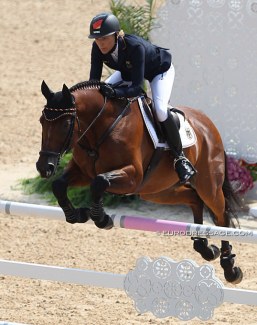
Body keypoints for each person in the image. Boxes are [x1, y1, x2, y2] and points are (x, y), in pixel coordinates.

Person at [88, 12, 196, 184]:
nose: (100, 43)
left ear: (117, 35)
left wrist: (115, 93)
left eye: (104, 38)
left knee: (160, 110)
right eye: (97, 39)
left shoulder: (134, 47)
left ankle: (180, 158)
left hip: (159, 71)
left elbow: (138, 89)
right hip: (128, 72)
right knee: (99, 95)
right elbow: (93, 82)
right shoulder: (97, 48)